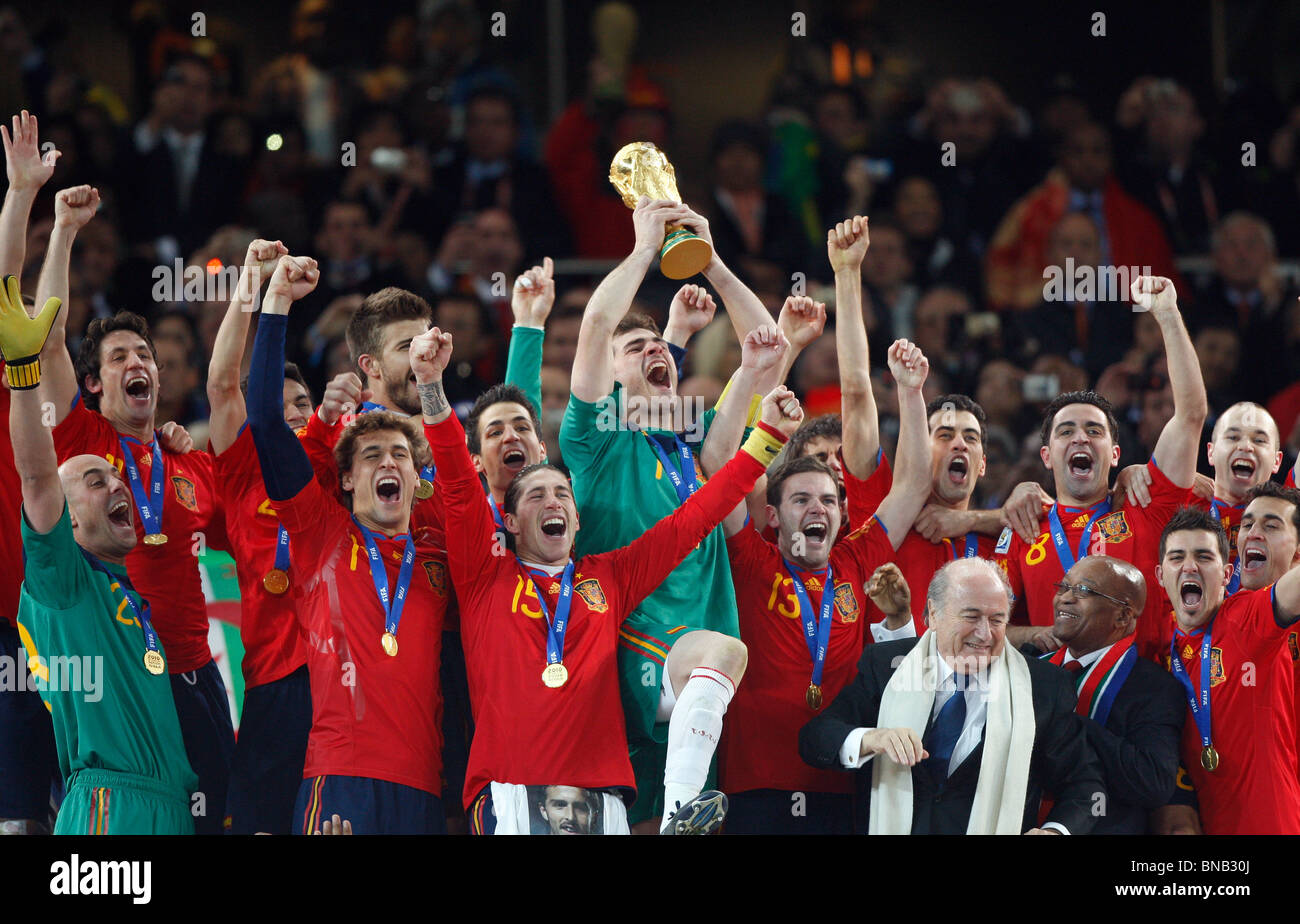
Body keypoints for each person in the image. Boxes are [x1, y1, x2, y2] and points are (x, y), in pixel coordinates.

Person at [420, 320, 802, 834]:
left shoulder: (610, 576)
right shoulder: (483, 576)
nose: (552, 502)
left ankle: (677, 817)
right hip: (514, 785)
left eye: (562, 495)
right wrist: (429, 385)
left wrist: (767, 440)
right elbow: (454, 477)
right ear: (509, 522)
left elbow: (696, 516)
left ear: (578, 518)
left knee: (729, 648)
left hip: (601, 795)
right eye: (535, 496)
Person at [562, 196, 807, 832]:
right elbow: (595, 326)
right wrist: (645, 250)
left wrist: (712, 261)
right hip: (633, 642)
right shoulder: (594, 441)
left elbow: (769, 350)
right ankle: (678, 813)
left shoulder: (697, 451)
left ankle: (676, 814)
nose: (656, 352)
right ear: (610, 377)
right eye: (636, 346)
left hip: (698, 681)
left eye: (660, 347)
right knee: (721, 653)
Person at [35, 184, 236, 835]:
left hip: (195, 673)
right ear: (94, 384)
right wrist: (64, 230)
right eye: (119, 357)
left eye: (143, 354)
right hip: (122, 680)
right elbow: (47, 345)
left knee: (208, 822)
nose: (136, 363)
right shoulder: (85, 442)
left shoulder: (191, 463)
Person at [246, 254, 449, 834]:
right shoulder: (322, 534)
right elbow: (263, 420)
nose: (388, 464)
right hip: (338, 776)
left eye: (401, 457)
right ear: (345, 479)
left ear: (418, 475)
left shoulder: (438, 553)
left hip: (426, 783)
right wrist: (277, 303)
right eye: (370, 456)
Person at [2, 275, 197, 834]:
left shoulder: (130, 598)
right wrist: (23, 372)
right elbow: (38, 476)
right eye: (94, 480)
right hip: (109, 808)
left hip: (171, 809)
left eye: (116, 478)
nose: (117, 487)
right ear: (63, 519)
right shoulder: (61, 583)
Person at [721, 338, 932, 834]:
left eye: (828, 500)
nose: (817, 508)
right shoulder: (751, 558)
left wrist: (911, 392)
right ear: (772, 515)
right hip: (756, 782)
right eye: (800, 500)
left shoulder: (855, 560)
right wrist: (757, 384)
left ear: (842, 513)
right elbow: (722, 466)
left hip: (844, 777)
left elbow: (914, 485)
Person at [798, 556, 1103, 834]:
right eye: (971, 617)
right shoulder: (886, 666)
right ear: (933, 612)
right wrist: (870, 739)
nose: (985, 634)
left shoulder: (1045, 687)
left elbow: (1087, 786)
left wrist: (1055, 832)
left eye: (997, 620)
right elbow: (816, 738)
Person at [997, 276, 1205, 651]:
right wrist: (1036, 635)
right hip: (1052, 697)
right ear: (1046, 456)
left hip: (1136, 695)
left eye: (1094, 430)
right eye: (1066, 432)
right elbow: (989, 625)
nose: (1080, 438)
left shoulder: (1144, 505)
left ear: (1115, 454)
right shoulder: (1023, 528)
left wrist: (1168, 315)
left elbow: (1190, 414)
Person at [205, 237, 315, 835]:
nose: (293, 413)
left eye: (304, 404)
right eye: (280, 402)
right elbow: (223, 385)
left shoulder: (330, 469)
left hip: (337, 675)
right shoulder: (245, 465)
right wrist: (251, 281)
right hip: (272, 680)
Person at [1147, 508, 1300, 834]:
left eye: (1203, 556)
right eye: (1177, 558)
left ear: (1227, 573)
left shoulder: (1246, 617)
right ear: (1160, 576)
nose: (1189, 566)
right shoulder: (1161, 655)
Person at [0, 107, 61, 834]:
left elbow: (6, 279)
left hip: (36, 618)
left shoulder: (10, 363)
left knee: (35, 819)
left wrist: (21, 195)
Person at [1044, 556, 1184, 834]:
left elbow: (1154, 783)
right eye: (1064, 587)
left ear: (1122, 616)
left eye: (1083, 590)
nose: (1065, 598)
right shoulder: (1032, 669)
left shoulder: (1155, 687)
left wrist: (1066, 722)